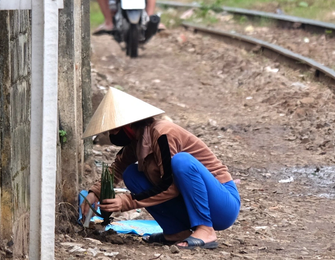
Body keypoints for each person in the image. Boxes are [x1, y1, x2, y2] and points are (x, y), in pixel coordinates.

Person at [81, 87, 240, 249]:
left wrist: (126, 201)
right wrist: (94, 193)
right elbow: (117, 169)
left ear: (128, 125)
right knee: (131, 174)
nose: (111, 135)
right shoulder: (137, 143)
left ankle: (205, 229)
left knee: (182, 161)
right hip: (188, 203)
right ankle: (176, 231)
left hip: (222, 205)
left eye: (114, 129)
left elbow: (170, 186)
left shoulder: (163, 133)